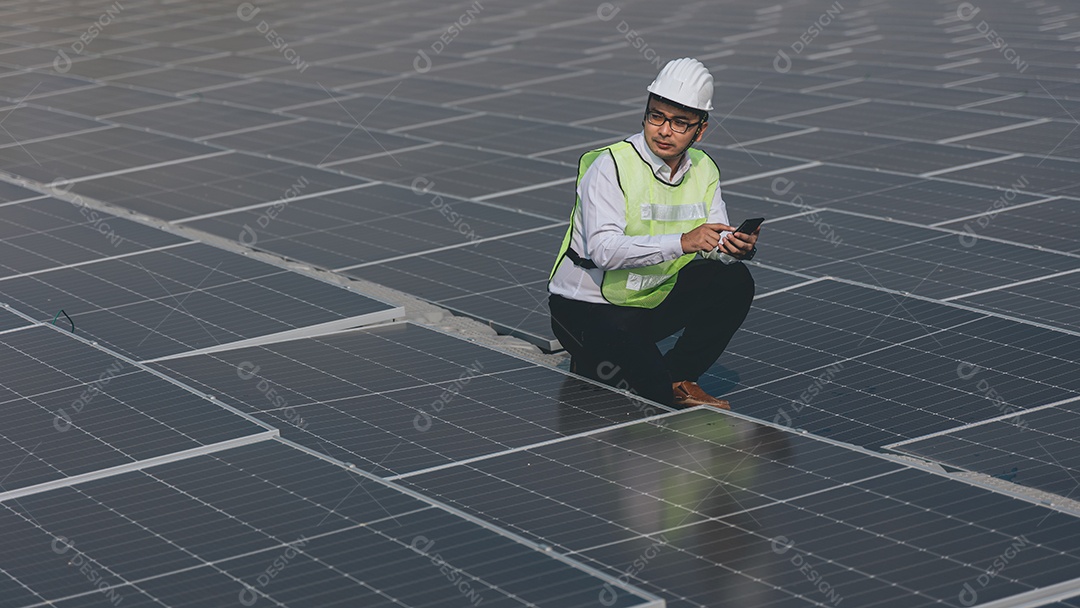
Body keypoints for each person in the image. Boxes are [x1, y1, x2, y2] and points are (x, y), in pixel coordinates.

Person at [548, 57, 759, 410]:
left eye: (680, 123)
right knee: (652, 400)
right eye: (656, 116)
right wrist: (682, 242)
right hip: (587, 310)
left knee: (734, 280)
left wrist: (734, 247)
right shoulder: (611, 165)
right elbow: (603, 251)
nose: (664, 130)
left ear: (700, 130)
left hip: (645, 301)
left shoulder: (704, 169)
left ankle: (679, 376)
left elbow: (711, 242)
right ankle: (599, 361)